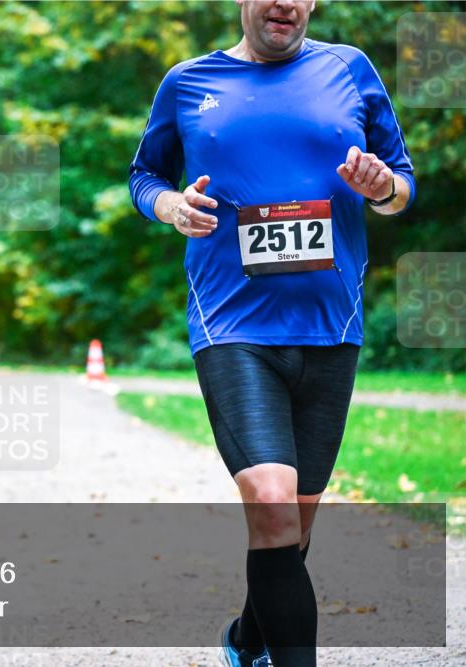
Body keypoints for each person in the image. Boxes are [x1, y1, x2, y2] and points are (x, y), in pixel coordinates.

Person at [127, 1, 414, 665]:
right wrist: (171, 205)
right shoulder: (189, 83)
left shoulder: (352, 69)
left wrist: (382, 187)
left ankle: (244, 639)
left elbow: (402, 184)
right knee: (273, 501)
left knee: (291, 528)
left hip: (330, 327)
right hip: (232, 325)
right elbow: (144, 175)